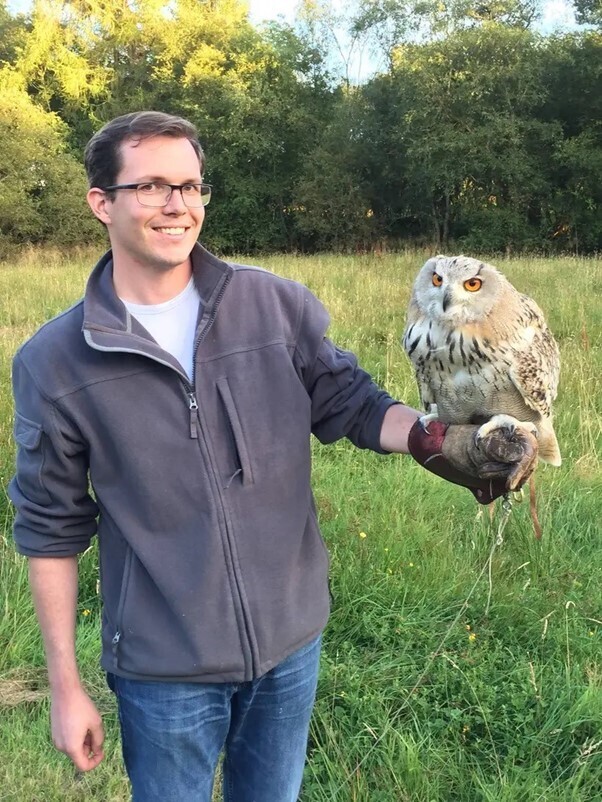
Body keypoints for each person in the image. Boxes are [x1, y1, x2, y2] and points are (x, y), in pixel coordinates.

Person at [9, 111, 538, 802]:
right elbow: (50, 529)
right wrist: (65, 686)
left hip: (291, 646)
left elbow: (353, 402)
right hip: (163, 667)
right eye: (153, 187)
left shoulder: (271, 305)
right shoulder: (56, 360)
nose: (178, 205)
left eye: (193, 186)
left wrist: (441, 440)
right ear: (101, 203)